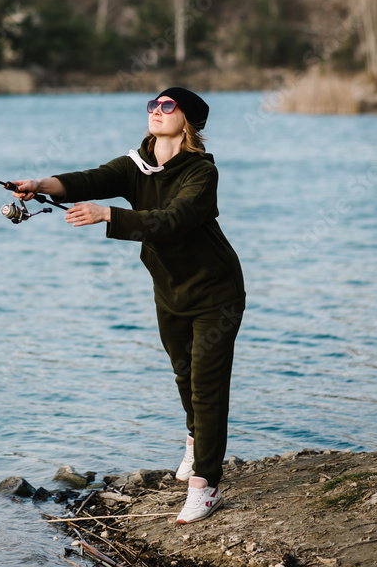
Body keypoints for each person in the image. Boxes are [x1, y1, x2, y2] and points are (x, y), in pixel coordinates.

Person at [13, 86, 245, 524]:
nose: (156, 111)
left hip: (217, 292)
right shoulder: (135, 165)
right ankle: (197, 439)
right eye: (153, 104)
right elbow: (90, 179)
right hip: (170, 289)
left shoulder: (201, 174)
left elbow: (171, 222)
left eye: (167, 106)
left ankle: (205, 485)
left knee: (207, 387)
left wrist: (107, 215)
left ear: (189, 120)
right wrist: (38, 184)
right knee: (184, 373)